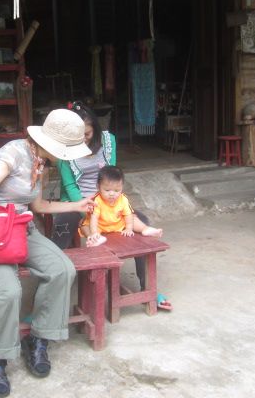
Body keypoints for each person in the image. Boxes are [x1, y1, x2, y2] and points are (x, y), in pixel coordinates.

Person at [0, 108, 94, 398]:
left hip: (22, 230)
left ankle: (38, 340)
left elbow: (38, 207)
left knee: (62, 270)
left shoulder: (41, 163)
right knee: (9, 291)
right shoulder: (12, 153)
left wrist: (76, 205)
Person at [52, 101, 172, 311]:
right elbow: (70, 185)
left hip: (107, 198)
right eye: (77, 135)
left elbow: (112, 175)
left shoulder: (108, 141)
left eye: (87, 134)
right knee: (63, 224)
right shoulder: (63, 150)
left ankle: (148, 289)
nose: (82, 139)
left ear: (95, 129)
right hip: (77, 200)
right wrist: (85, 205)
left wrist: (109, 201)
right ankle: (48, 297)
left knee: (141, 221)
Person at [80, 165, 163, 246]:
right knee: (85, 226)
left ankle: (145, 229)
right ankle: (94, 238)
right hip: (100, 226)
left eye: (117, 190)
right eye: (107, 190)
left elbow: (128, 215)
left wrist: (128, 229)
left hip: (118, 224)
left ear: (122, 187)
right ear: (98, 187)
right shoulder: (96, 200)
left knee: (133, 218)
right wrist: (94, 232)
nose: (112, 194)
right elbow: (94, 218)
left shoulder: (123, 199)